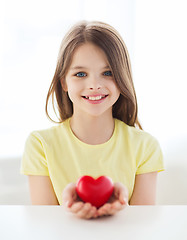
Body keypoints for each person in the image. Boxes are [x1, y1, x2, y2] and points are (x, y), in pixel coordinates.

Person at [21, 20, 164, 219]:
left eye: (108, 73)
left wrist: (122, 208)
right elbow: (43, 225)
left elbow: (145, 226)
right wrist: (68, 206)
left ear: (123, 78)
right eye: (80, 74)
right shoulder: (40, 145)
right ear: (64, 82)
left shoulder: (145, 146)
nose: (94, 85)